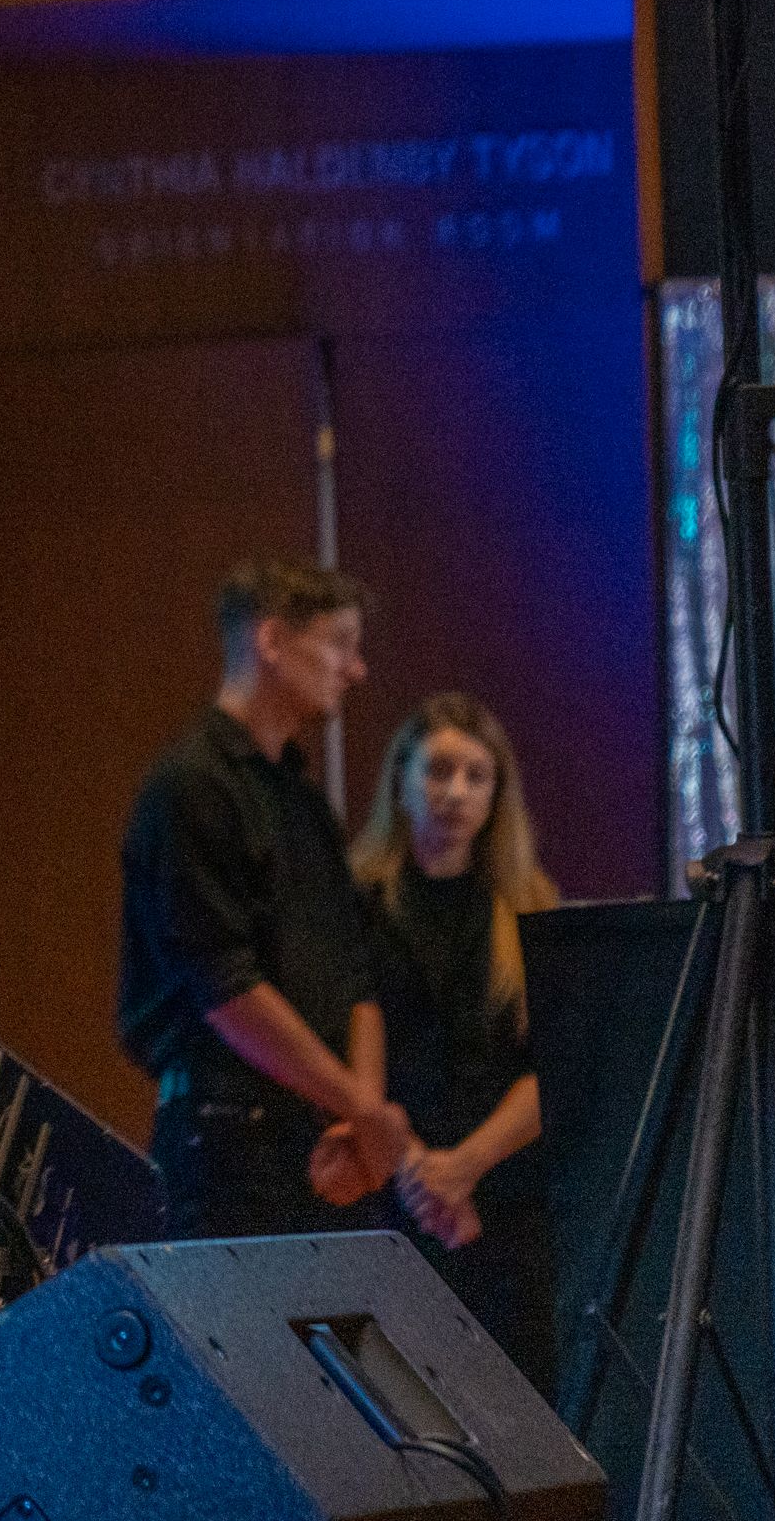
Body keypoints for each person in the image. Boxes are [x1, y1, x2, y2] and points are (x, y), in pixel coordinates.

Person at [116, 557, 410, 1239]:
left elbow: (354, 973)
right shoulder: (191, 786)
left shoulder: (304, 803)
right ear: (272, 642)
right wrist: (363, 1114)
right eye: (339, 643)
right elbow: (227, 991)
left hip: (318, 1141)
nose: (355, 668)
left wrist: (360, 1120)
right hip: (225, 1145)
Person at [348, 692, 557, 1381]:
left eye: (477, 776)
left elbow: (549, 1067)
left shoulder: (530, 907)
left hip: (504, 1203)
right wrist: (423, 1178)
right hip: (389, 1196)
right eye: (438, 771)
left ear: (498, 796)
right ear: (401, 780)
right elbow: (349, 1067)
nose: (455, 792)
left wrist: (464, 1167)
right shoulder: (357, 902)